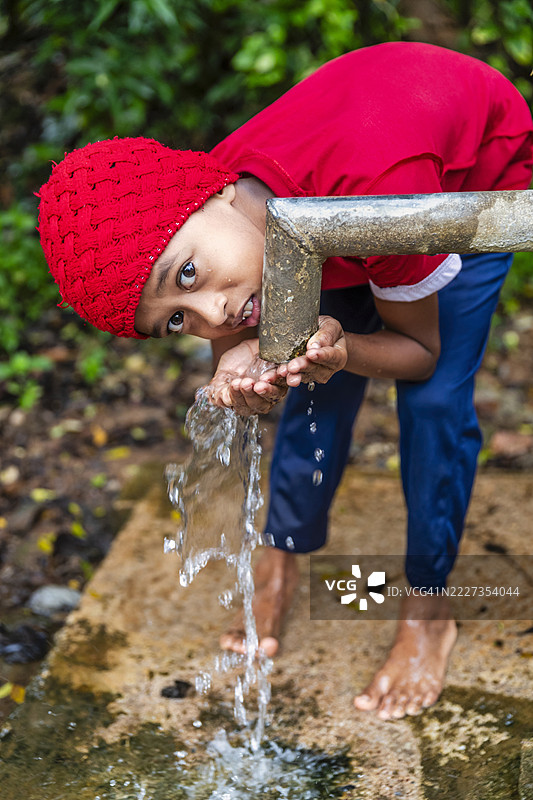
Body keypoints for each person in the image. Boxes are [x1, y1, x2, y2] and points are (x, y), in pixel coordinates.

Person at [38, 42, 533, 720]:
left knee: (433, 401)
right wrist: (238, 355)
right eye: (178, 322)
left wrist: (343, 346)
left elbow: (418, 350)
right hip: (333, 207)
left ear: (212, 190)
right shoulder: (224, 215)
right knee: (308, 372)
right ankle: (284, 550)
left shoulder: (381, 191)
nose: (212, 313)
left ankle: (427, 605)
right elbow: (235, 308)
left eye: (185, 277)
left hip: (464, 178)